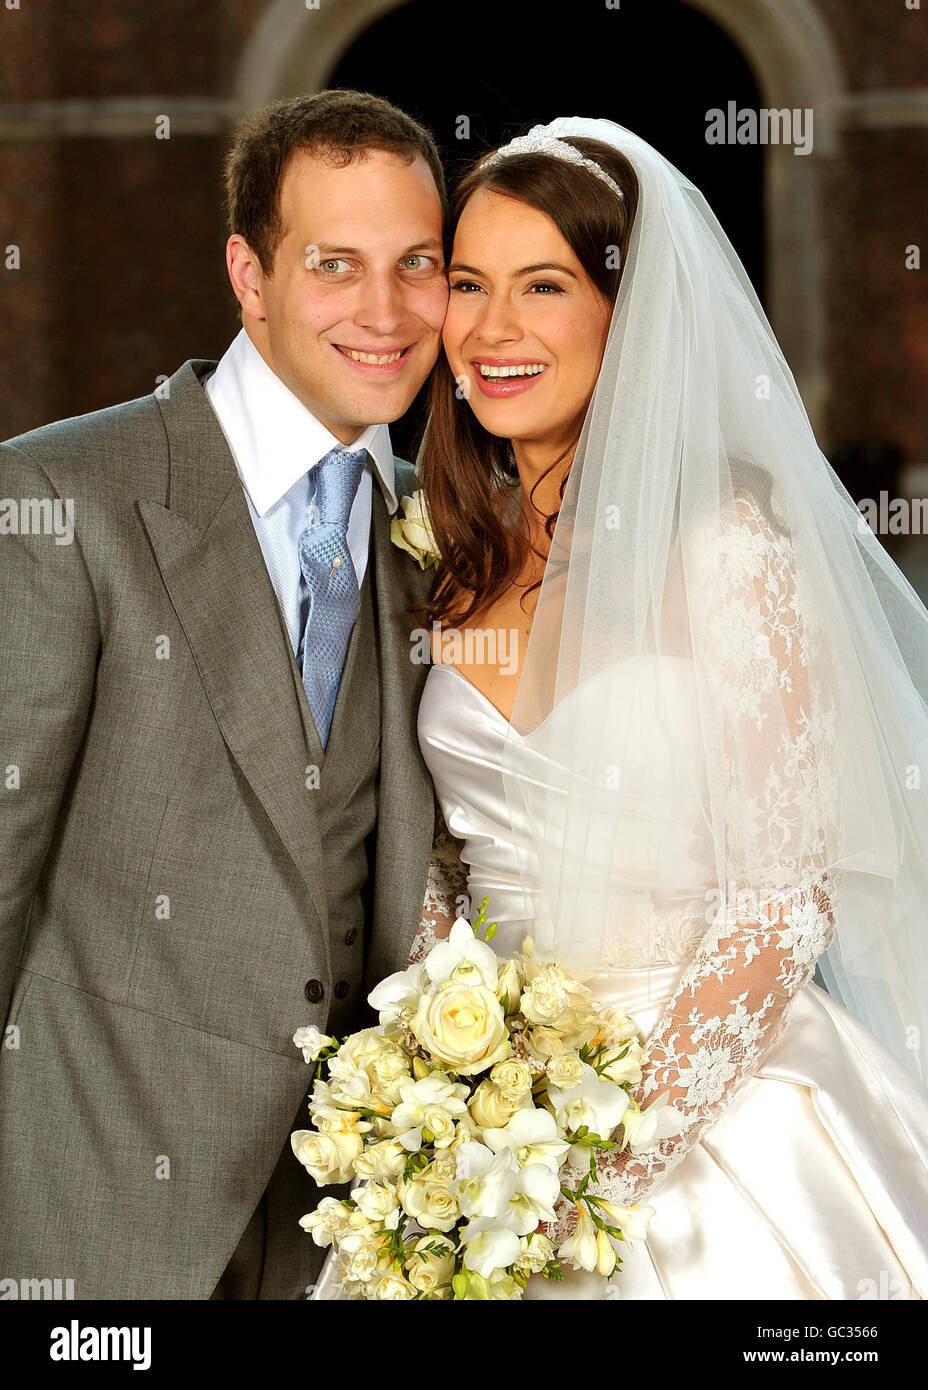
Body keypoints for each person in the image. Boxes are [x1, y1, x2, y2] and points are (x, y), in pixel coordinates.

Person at [407, 118, 928, 1299]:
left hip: (713, 1124)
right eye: (469, 285)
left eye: (541, 286)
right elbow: (441, 848)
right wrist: (446, 1068)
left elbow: (784, 898)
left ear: (624, 309)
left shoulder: (729, 550)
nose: (493, 330)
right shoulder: (450, 557)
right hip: (483, 1126)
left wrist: (600, 1167)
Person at [0, 88, 448, 1299]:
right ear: (249, 275)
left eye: (419, 265)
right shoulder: (64, 501)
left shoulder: (441, 531)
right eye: (335, 265)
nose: (387, 312)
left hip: (351, 1237)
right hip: (92, 1230)